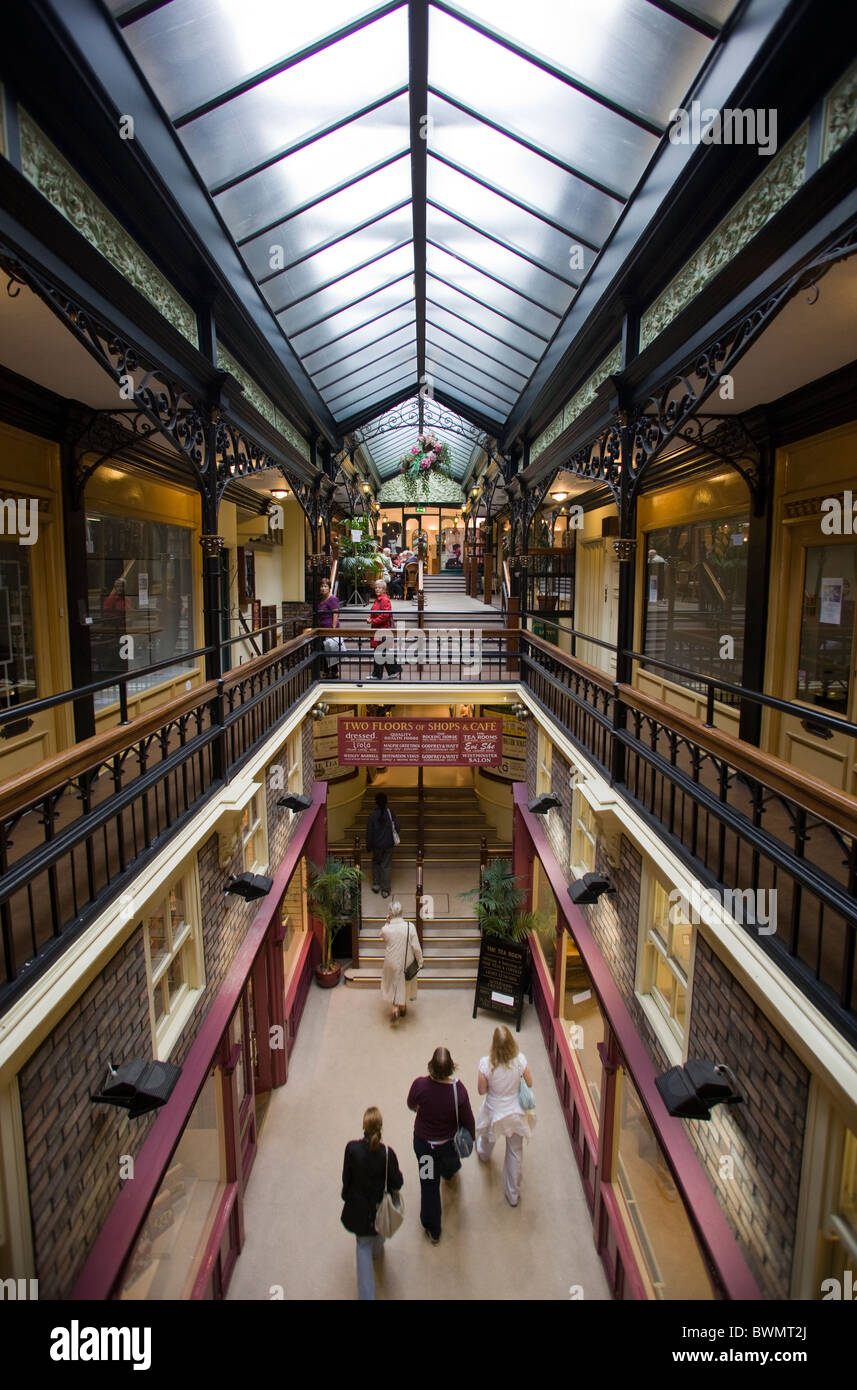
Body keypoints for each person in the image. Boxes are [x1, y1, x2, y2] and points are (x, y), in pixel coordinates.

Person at [407, 1047, 475, 1244]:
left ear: (431, 1066)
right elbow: (468, 1120)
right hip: (448, 1145)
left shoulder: (420, 1085)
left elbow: (411, 1104)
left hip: (425, 1147)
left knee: (429, 1186)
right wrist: (470, 1136)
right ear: (451, 1067)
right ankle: (449, 1171)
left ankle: (433, 1229)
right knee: (449, 1161)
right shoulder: (458, 1091)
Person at [341, 1107, 403, 1301]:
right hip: (379, 1207)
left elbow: (346, 1178)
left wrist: (347, 1195)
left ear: (364, 1127)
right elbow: (397, 1183)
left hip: (359, 1209)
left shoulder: (352, 1149)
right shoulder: (387, 1153)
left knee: (362, 1245)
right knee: (378, 1232)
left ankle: (366, 1297)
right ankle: (377, 1251)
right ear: (380, 1128)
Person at [476, 1026, 534, 1208]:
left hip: (495, 1112)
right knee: (515, 1152)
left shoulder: (486, 1064)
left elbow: (481, 1090)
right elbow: (530, 1082)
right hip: (516, 1112)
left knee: (487, 1135)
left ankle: (484, 1154)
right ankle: (513, 1195)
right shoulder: (520, 1061)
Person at [380, 899, 423, 1022]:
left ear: (390, 913)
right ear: (402, 912)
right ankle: (403, 1007)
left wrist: (388, 922)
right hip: (406, 961)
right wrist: (420, 961)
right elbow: (416, 947)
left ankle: (394, 1007)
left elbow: (381, 934)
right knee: (404, 983)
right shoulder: (410, 927)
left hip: (391, 960)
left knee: (393, 982)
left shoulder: (386, 929)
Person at [366, 790, 399, 899]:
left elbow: (369, 832)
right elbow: (398, 826)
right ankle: (385, 890)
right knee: (386, 866)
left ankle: (376, 885)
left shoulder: (372, 816)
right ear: (386, 802)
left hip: (376, 845)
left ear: (375, 802)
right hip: (388, 844)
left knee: (376, 863)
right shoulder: (391, 813)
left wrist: (368, 845)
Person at [369, 577, 399, 678]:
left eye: (379, 588)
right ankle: (394, 670)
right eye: (376, 587)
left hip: (382, 630)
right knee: (382, 652)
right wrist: (371, 618)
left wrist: (373, 620)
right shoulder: (377, 600)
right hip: (378, 629)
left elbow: (385, 616)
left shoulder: (384, 600)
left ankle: (377, 675)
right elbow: (376, 613)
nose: (377, 589)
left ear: (384, 589)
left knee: (379, 652)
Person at [317, 577, 342, 677]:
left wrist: (334, 628)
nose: (323, 588)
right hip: (323, 628)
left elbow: (336, 613)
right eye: (322, 586)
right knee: (325, 650)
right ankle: (327, 671)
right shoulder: (321, 599)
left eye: (325, 586)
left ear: (329, 588)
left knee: (332, 649)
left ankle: (334, 671)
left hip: (330, 628)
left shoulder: (332, 599)